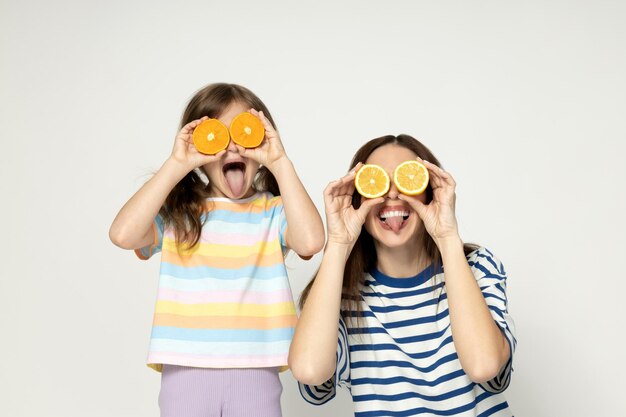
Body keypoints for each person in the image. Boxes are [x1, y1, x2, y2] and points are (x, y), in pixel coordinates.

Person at [109, 83, 325, 417]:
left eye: (245, 134)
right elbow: (123, 235)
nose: (233, 148)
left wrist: (280, 162)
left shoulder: (273, 211)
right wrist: (176, 164)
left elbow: (311, 241)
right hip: (185, 368)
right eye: (218, 136)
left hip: (257, 366)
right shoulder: (180, 213)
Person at [288, 134, 516, 416]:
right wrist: (338, 242)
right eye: (377, 183)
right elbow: (310, 372)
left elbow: (485, 367)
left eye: (407, 180)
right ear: (357, 200)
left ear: (431, 192)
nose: (392, 194)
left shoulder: (478, 267)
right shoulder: (341, 297)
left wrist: (446, 236)